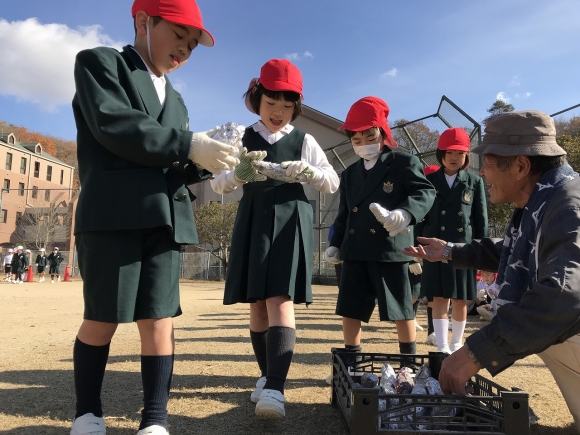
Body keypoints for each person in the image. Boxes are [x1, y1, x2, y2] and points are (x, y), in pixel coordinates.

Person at [69, 1, 239, 434]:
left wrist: (213, 166)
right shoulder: (101, 62)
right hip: (112, 214)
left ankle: (155, 419)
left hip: (164, 218)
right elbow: (115, 124)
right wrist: (188, 145)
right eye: (178, 37)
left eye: (191, 46)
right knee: (102, 315)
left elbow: (174, 163)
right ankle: (87, 412)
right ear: (145, 21)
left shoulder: (177, 100)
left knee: (159, 318)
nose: (183, 51)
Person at [403, 110, 580, 431]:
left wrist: (472, 353)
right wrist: (449, 251)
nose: (481, 172)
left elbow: (563, 297)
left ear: (521, 166)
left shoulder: (569, 206)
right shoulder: (546, 197)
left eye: (488, 162)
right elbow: (516, 251)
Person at [210, 58, 339, 419]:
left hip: (290, 219)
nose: (278, 112)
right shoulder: (242, 137)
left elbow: (332, 181)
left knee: (279, 298)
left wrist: (311, 171)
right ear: (257, 98)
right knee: (256, 303)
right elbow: (217, 182)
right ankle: (267, 376)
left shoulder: (305, 139)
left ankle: (276, 391)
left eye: (287, 106)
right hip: (253, 217)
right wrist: (238, 174)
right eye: (271, 104)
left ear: (296, 106)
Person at [325, 96, 435, 362]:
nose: (364, 144)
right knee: (351, 309)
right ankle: (350, 360)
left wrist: (405, 213)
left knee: (402, 309)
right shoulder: (350, 172)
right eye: (357, 139)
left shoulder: (402, 161)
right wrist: (336, 243)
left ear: (383, 133)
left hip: (390, 249)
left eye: (369, 135)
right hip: (355, 250)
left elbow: (425, 191)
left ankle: (408, 364)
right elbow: (344, 212)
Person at [414, 128, 488, 353]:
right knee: (439, 298)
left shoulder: (474, 182)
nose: (454, 157)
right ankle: (442, 345)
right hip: (433, 249)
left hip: (462, 249)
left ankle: (456, 343)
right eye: (449, 152)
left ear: (467, 156)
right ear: (440, 154)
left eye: (460, 153)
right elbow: (419, 214)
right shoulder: (428, 180)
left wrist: (480, 251)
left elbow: (480, 219)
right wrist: (418, 247)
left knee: (460, 299)